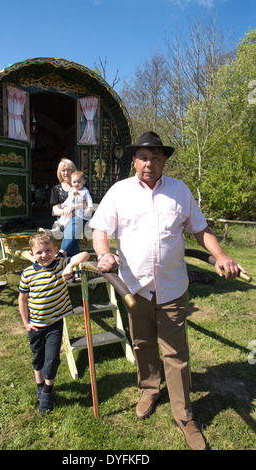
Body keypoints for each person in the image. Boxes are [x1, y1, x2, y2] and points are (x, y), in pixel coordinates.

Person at [89, 131, 246, 450]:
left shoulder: (180, 190)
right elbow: (101, 229)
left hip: (173, 288)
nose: (150, 162)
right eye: (144, 156)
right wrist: (104, 253)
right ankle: (149, 389)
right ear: (134, 161)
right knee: (142, 343)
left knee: (176, 354)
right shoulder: (119, 192)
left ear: (164, 161)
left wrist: (221, 255)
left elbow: (200, 229)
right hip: (135, 288)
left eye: (156, 156)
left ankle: (184, 415)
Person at [18, 231, 89, 414]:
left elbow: (85, 255)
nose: (44, 255)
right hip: (35, 325)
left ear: (55, 250)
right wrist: (26, 323)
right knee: (38, 358)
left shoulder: (59, 264)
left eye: (48, 251)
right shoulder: (27, 274)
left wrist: (70, 265)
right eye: (39, 252)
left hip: (55, 324)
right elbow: (22, 300)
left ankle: (48, 391)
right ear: (32, 254)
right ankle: (39, 384)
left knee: (52, 359)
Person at [50, 158, 80, 256]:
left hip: (79, 216)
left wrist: (74, 210)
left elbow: (87, 204)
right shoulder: (56, 189)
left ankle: (62, 252)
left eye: (69, 170)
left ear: (73, 171)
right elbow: (55, 209)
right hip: (63, 218)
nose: (66, 173)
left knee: (76, 221)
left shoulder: (81, 185)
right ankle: (74, 265)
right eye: (63, 170)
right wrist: (64, 212)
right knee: (73, 226)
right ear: (60, 172)